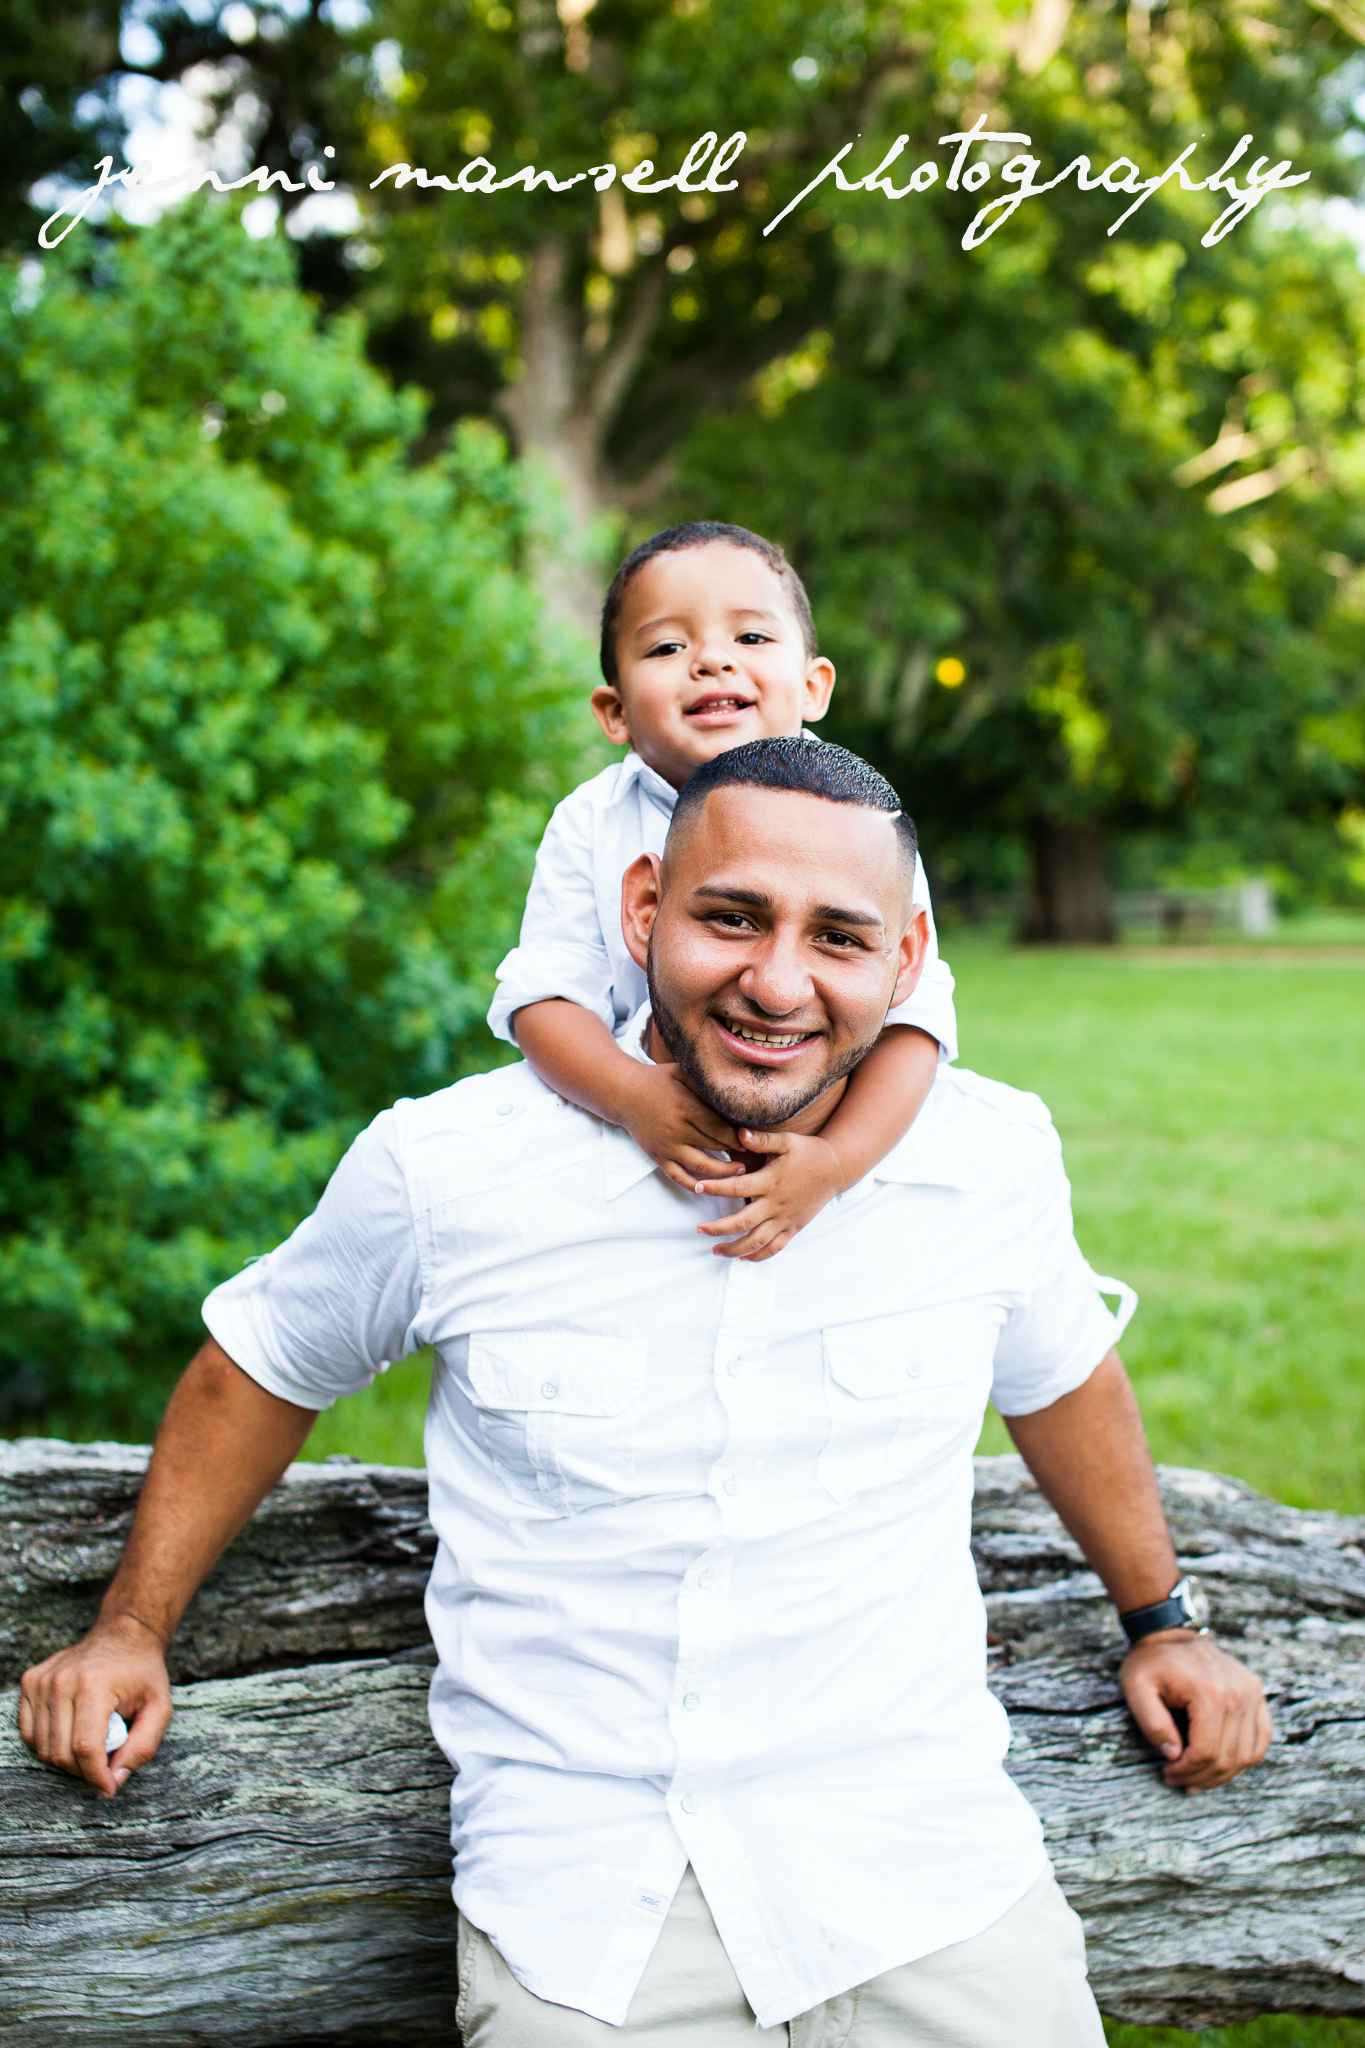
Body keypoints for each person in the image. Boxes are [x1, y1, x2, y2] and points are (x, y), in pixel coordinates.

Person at [20, 739, 1272, 2048]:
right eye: (731, 917)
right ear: (642, 910)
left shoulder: (987, 1159)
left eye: (838, 938)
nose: (776, 980)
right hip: (592, 1911)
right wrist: (131, 1626)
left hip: (925, 1875)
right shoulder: (451, 1168)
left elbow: (1064, 1380)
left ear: (906, 961)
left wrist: (1164, 1621)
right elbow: (260, 1365)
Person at [490, 520, 958, 1263]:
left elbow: (914, 1024)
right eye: (666, 648)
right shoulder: (592, 821)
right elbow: (544, 996)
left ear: (813, 686)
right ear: (615, 711)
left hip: (810, 1129)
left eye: (751, 638)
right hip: (632, 1151)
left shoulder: (865, 825)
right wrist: (629, 1096)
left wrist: (835, 1164)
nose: (711, 660)